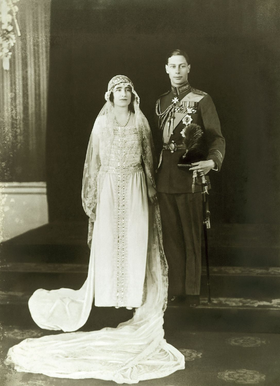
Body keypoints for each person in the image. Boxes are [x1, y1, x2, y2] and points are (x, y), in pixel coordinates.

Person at [5, 75, 185, 383]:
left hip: (135, 186)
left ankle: (131, 294)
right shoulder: (101, 123)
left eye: (127, 89)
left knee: (135, 240)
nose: (124, 94)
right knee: (110, 242)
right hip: (109, 187)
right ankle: (107, 294)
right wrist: (96, 196)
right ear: (110, 95)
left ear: (133, 94)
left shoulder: (140, 121)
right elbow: (95, 161)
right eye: (118, 90)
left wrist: (152, 189)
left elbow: (146, 157)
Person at [154, 49, 226, 307]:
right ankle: (177, 289)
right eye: (172, 66)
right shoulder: (160, 102)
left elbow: (216, 137)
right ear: (166, 69)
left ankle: (192, 291)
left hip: (191, 174)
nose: (177, 71)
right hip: (166, 177)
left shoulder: (202, 99)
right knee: (171, 237)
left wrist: (212, 161)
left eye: (181, 66)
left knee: (191, 236)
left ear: (188, 68)